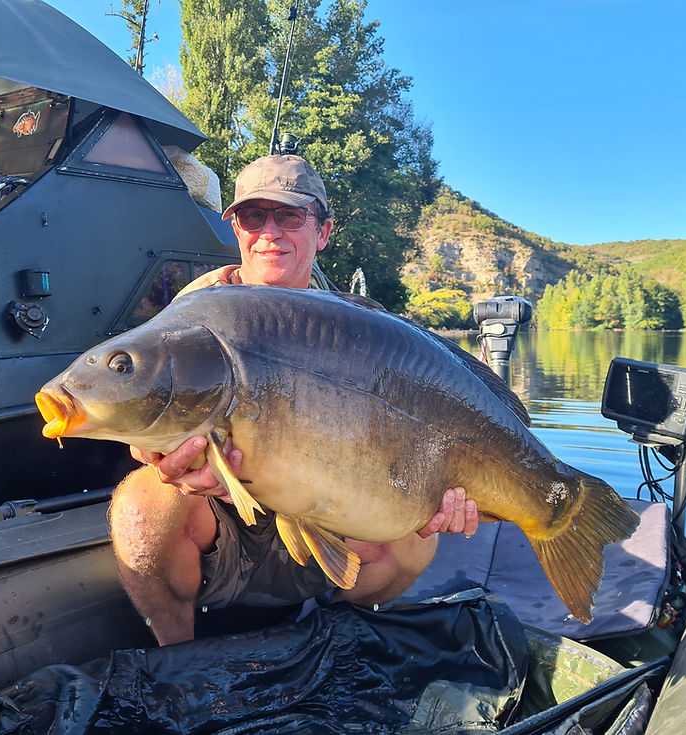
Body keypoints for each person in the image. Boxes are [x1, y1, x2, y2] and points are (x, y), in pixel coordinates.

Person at [109, 154, 479, 646]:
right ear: (235, 228)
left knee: (415, 540)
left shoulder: (362, 325)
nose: (270, 232)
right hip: (221, 514)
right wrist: (157, 456)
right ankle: (179, 663)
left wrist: (438, 495)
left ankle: (337, 644)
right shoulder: (198, 311)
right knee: (141, 504)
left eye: (289, 216)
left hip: (324, 508)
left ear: (323, 232)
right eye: (252, 216)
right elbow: (146, 413)